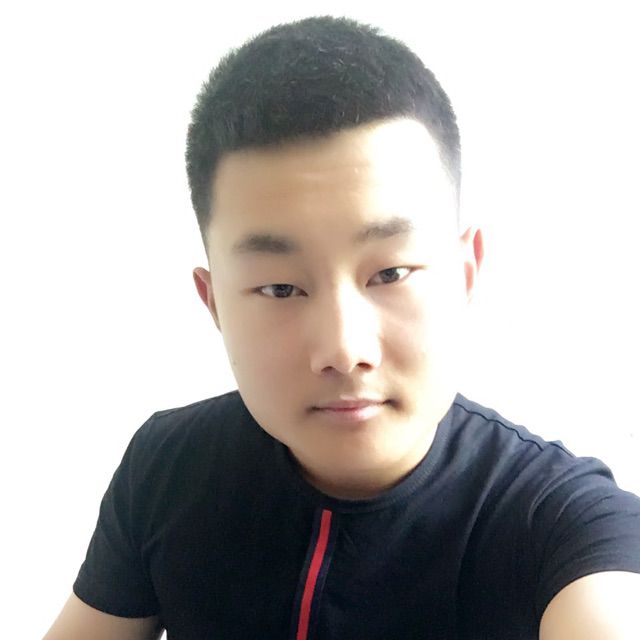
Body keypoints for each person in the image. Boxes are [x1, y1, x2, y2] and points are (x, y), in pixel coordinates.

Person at [43, 15, 640, 640]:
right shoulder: (168, 468)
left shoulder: (559, 521)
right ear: (213, 302)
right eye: (280, 288)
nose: (343, 349)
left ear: (464, 274)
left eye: (391, 273)